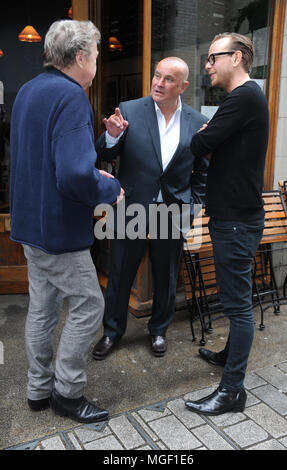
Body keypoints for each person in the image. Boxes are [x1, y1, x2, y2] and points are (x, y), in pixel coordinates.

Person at [9, 20, 123, 424]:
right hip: (58, 232)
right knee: (91, 305)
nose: (96, 61)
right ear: (79, 58)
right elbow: (74, 175)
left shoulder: (28, 90)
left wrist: (93, 168)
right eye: (94, 54)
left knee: (42, 307)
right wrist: (109, 190)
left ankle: (38, 389)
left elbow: (45, 159)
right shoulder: (72, 96)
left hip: (29, 225)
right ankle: (67, 393)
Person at [92, 57, 208, 360]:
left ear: (182, 86)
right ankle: (112, 332)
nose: (159, 83)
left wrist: (193, 205)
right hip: (131, 207)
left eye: (168, 79)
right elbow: (103, 152)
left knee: (166, 275)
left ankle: (158, 330)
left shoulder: (196, 122)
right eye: (157, 76)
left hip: (172, 211)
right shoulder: (129, 110)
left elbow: (204, 170)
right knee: (120, 273)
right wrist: (113, 135)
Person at [185, 32, 269, 416]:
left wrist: (206, 136)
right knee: (236, 300)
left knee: (237, 307)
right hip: (234, 218)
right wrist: (209, 136)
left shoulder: (243, 98)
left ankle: (232, 391)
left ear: (235, 58)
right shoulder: (243, 99)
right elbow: (211, 140)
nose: (207, 65)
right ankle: (229, 354)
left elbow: (201, 145)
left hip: (236, 222)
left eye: (212, 57)